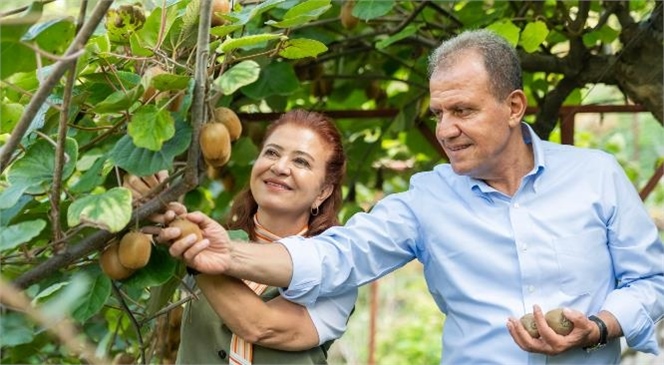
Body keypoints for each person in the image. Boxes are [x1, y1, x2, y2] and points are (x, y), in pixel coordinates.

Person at [167, 29, 664, 364]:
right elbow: (339, 255)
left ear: (514, 106)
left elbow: (652, 281)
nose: (445, 130)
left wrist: (599, 326)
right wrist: (226, 253)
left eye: (463, 111)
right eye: (438, 113)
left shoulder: (596, 174)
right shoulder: (427, 199)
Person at [127, 109, 357, 364]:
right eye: (271, 152)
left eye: (300, 161)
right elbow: (135, 264)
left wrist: (195, 252)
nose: (279, 167)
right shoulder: (216, 238)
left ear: (323, 192)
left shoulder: (336, 270)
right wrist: (144, 197)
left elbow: (262, 326)